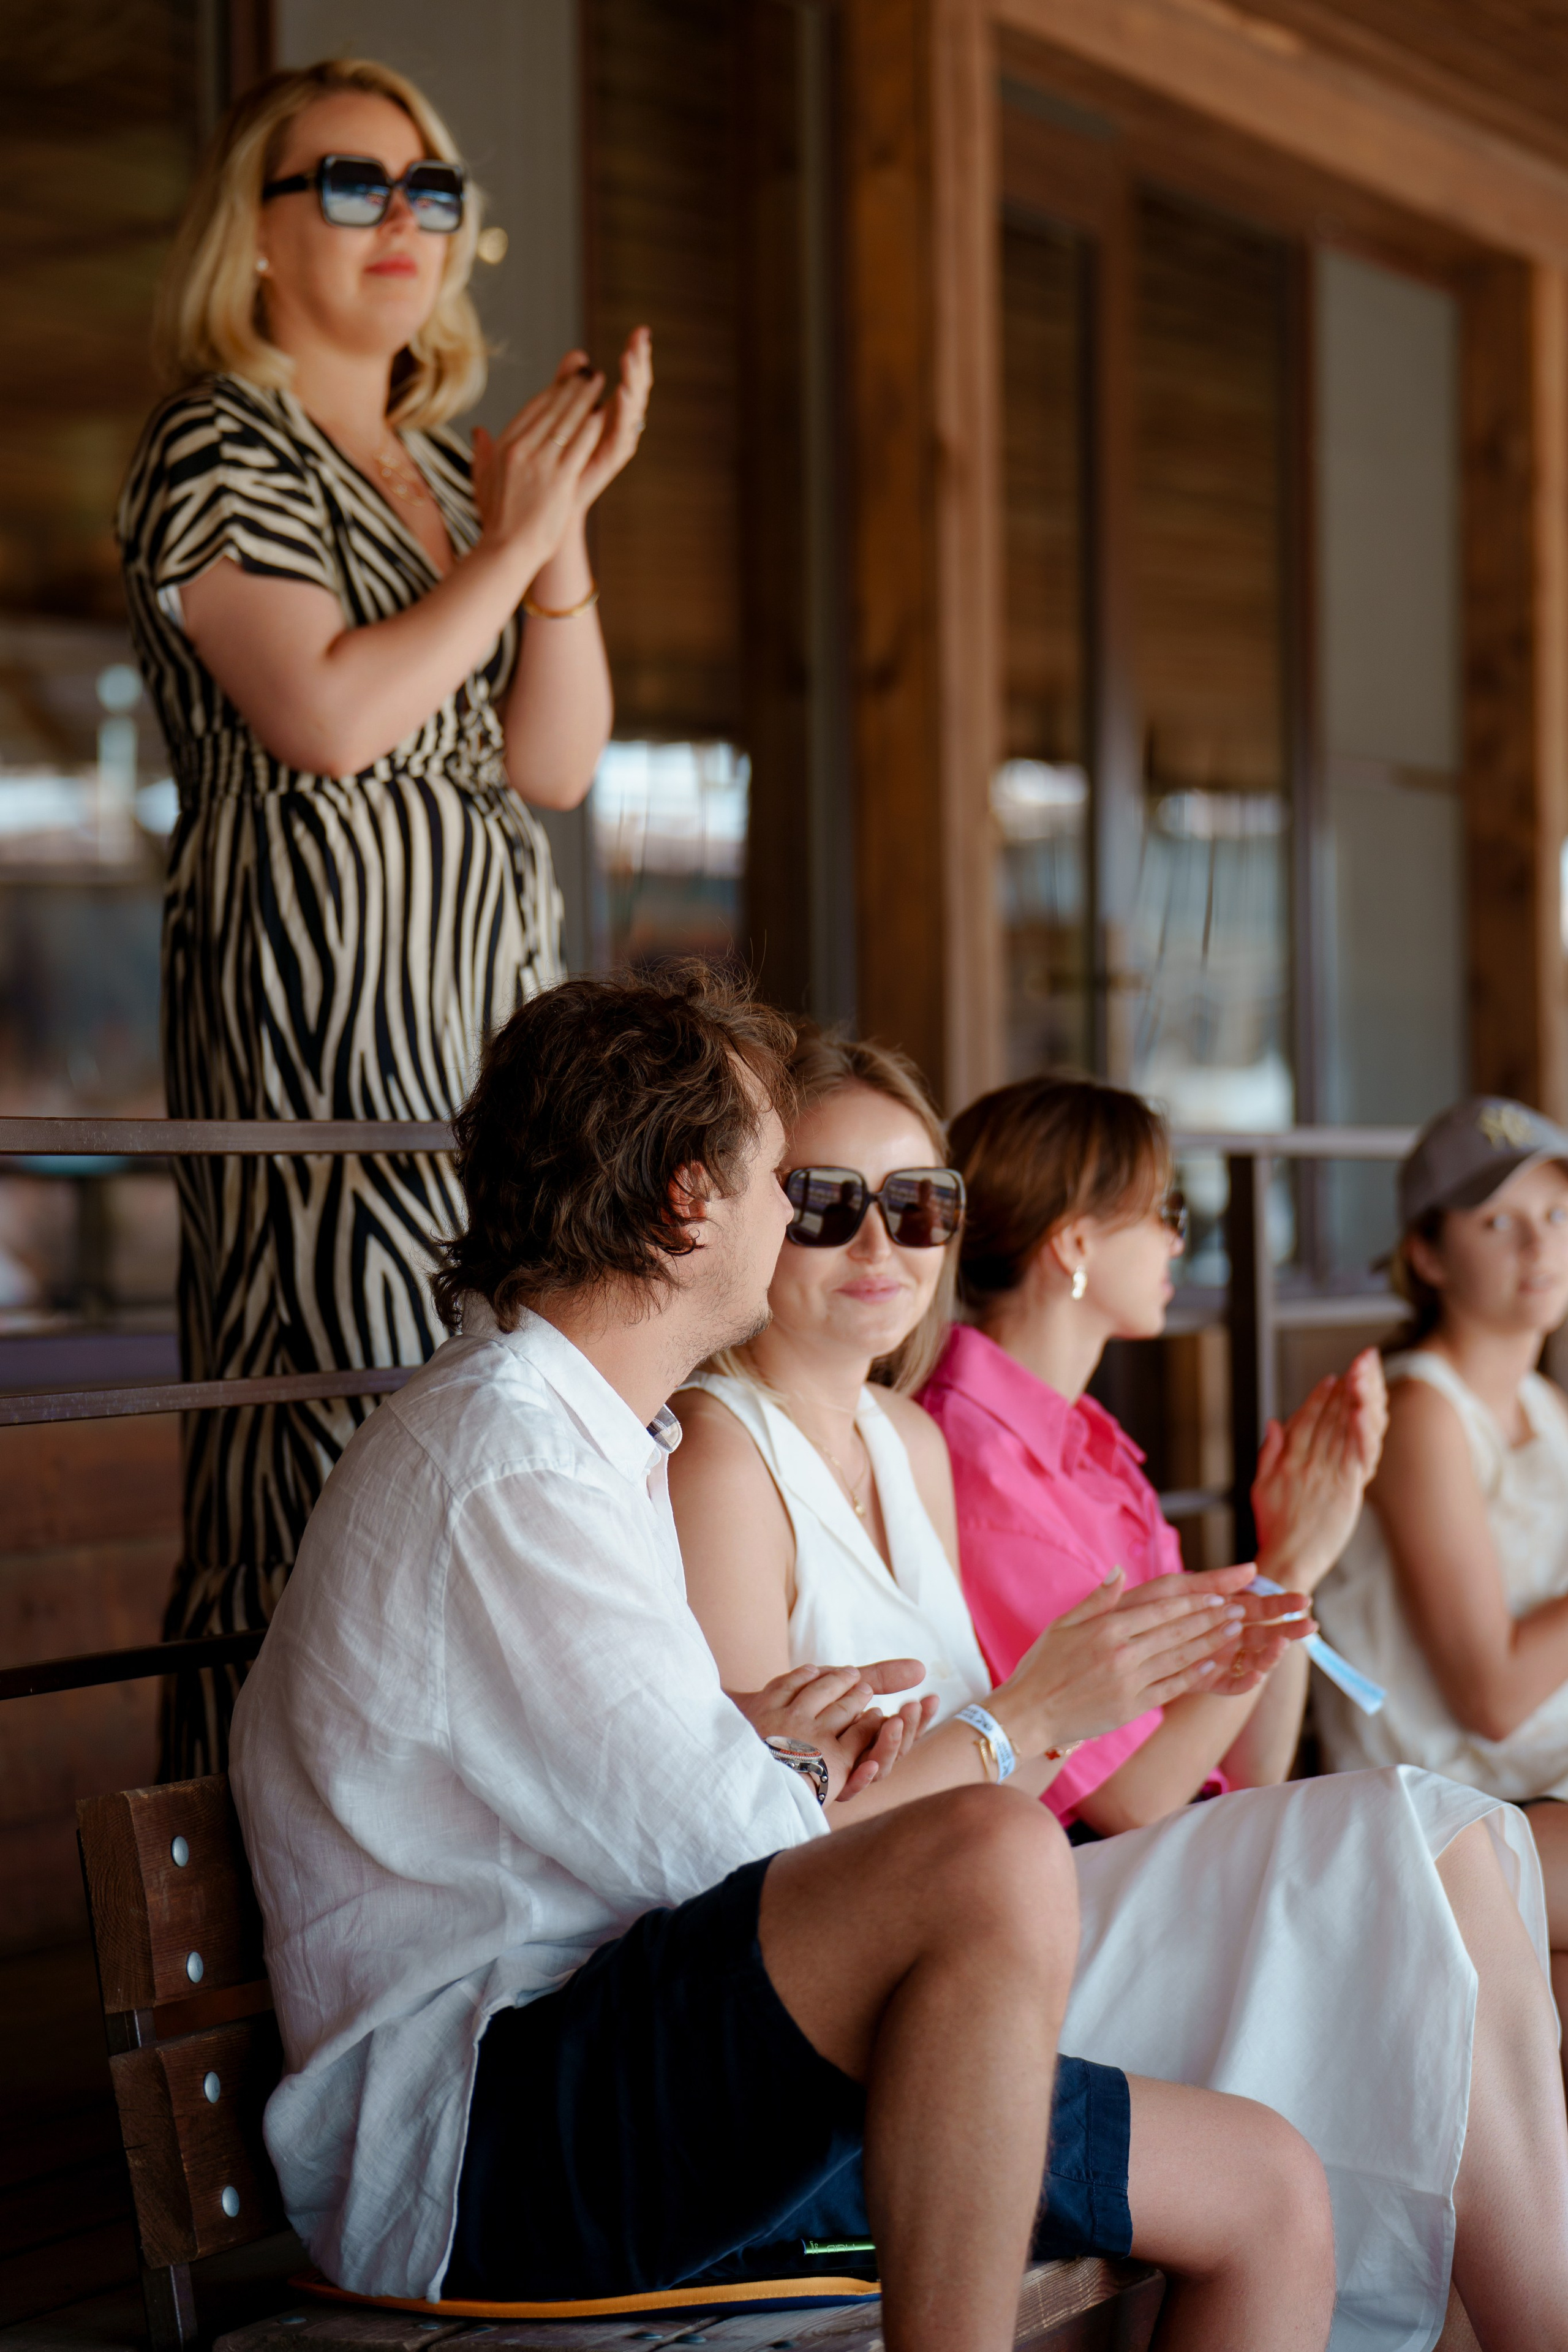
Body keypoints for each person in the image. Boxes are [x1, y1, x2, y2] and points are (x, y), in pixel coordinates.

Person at [230, 968, 1347, 2352]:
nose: (818, 1226)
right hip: (478, 2135)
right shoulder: (507, 1468)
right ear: (689, 1200)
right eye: (787, 1184)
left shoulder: (588, 1437)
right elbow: (732, 1855)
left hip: (643, 2046)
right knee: (989, 1844)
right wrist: (997, 1729)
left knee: (1270, 2188)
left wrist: (772, 1744)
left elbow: (689, 1795)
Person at [669, 1030, 1568, 2351]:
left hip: (1020, 1897)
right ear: (748, 1214)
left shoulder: (908, 1439)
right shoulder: (723, 1450)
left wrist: (1273, 1579)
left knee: (1439, 1855)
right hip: (922, 1972)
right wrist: (1047, 1707)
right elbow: (759, 1845)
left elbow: (1154, 1776)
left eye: (918, 1204)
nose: (881, 1244)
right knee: (1428, 1845)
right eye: (823, 1205)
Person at [117, 57, 652, 1774]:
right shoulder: (220, 437)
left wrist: (549, 544)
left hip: (489, 1033)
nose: (403, 219)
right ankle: (261, 1935)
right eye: (351, 183)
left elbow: (556, 759)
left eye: (432, 190)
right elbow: (331, 720)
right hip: (323, 1026)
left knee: (499, 1435)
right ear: (256, 236)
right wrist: (516, 541)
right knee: (335, 1449)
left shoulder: (446, 465)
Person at [921, 1071, 1384, 1836]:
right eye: (1161, 1210)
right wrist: (1272, 1584)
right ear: (1073, 1243)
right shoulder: (982, 1467)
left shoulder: (1081, 1437)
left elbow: (1248, 1770)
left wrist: (1290, 1566)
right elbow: (1131, 1800)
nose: (1176, 1239)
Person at [1314, 1095, 1568, 2046]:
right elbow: (1491, 1695)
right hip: (1445, 1813)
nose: (1538, 1247)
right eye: (1496, 1221)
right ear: (1427, 1255)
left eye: (1555, 1214)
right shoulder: (1422, 1410)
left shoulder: (1545, 1405)